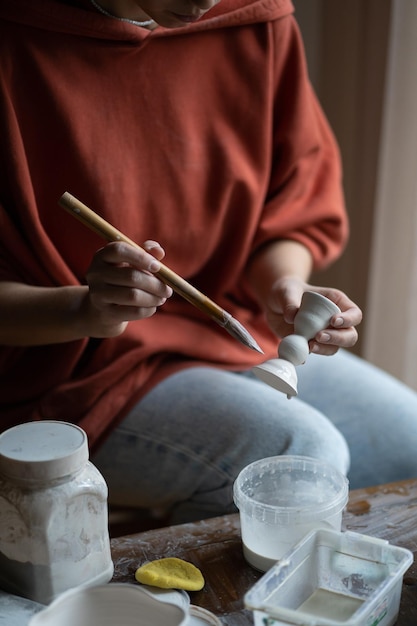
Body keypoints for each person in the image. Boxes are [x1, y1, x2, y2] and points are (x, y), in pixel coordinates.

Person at [1, 0, 417, 525]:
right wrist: (88, 310)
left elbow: (290, 205)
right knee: (300, 455)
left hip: (231, 333)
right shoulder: (19, 35)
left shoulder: (253, 20)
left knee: (410, 446)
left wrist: (281, 289)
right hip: (66, 368)